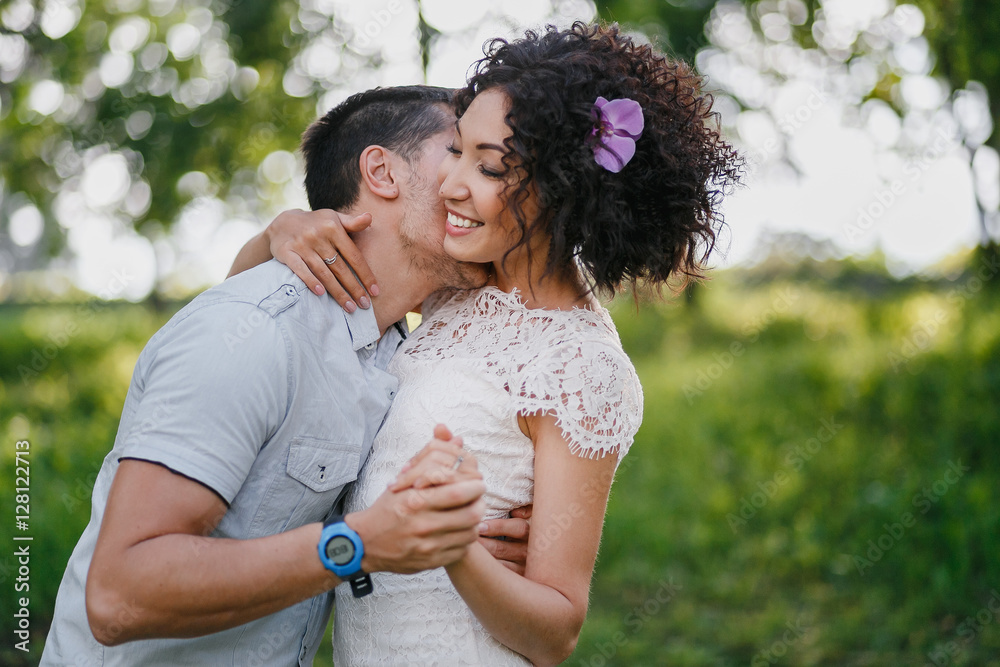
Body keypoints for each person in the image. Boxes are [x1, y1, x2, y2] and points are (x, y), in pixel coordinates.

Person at [233, 22, 742, 665]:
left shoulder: (580, 366)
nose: (450, 185)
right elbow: (257, 313)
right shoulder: (454, 291)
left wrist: (458, 552)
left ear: (563, 187)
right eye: (457, 153)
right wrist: (279, 233)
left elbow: (555, 630)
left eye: (489, 166)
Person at [40, 85, 532, 667]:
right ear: (381, 171)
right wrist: (361, 545)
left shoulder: (397, 347)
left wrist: (462, 530)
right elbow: (118, 595)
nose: (491, 185)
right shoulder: (254, 335)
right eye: (458, 152)